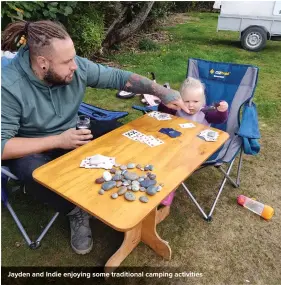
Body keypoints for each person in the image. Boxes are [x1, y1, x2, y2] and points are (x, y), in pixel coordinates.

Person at [1, 20, 189, 255]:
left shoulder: (75, 66)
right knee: (34, 175)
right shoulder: (8, 86)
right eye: (67, 62)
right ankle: (76, 211)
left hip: (71, 132)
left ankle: (122, 183)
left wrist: (161, 91)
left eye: (74, 58)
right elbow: (2, 146)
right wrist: (58, 141)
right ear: (42, 63)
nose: (75, 67)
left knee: (117, 132)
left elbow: (119, 78)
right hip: (31, 146)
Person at [158, 76, 229, 207]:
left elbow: (219, 119)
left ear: (202, 101)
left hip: (198, 147)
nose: (191, 105)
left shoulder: (206, 112)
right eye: (187, 101)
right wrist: (164, 101)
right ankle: (158, 180)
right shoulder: (177, 108)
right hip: (176, 142)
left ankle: (169, 190)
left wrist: (222, 111)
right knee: (160, 153)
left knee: (175, 163)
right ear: (180, 99)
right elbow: (163, 111)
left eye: (196, 101)